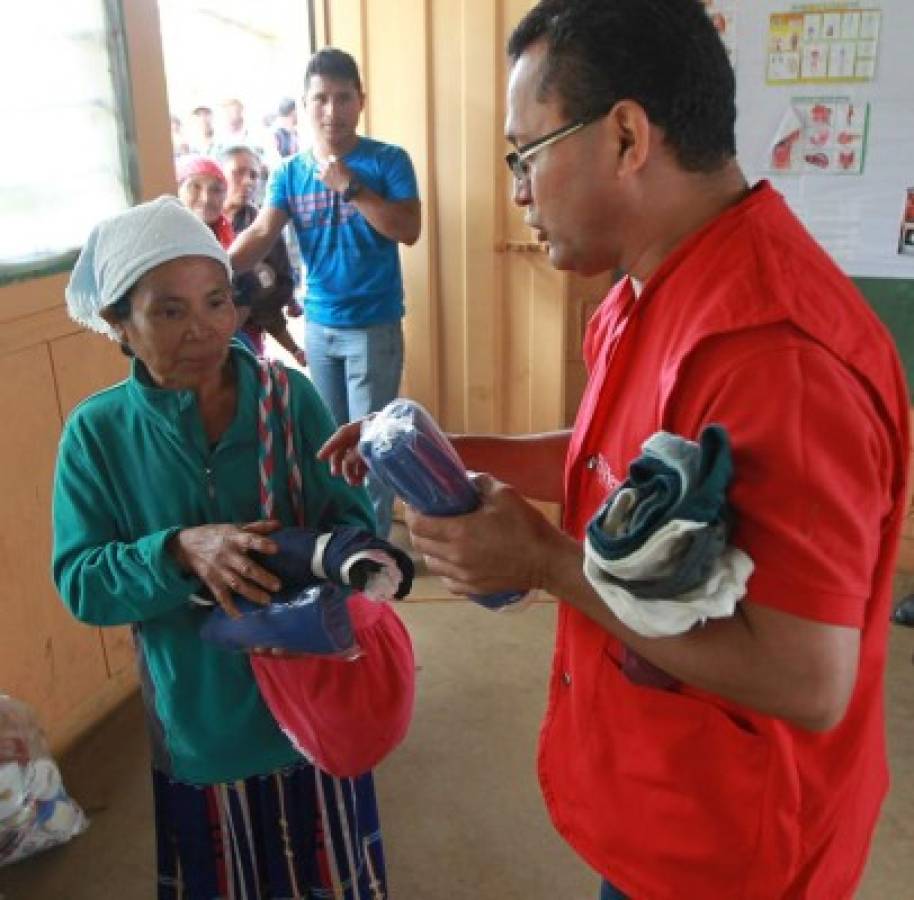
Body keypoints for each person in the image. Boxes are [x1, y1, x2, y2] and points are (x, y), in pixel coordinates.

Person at [319, 2, 910, 897]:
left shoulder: (778, 359)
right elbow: (608, 461)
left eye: (526, 153)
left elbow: (805, 678)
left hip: (732, 848)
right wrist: (445, 448)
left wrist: (549, 563)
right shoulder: (650, 288)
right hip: (658, 796)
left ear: (628, 136)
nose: (518, 188)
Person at [54, 196, 388, 899]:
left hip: (315, 699)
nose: (204, 329)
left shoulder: (288, 398)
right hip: (200, 715)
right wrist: (176, 551)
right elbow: (82, 581)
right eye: (169, 310)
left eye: (216, 300)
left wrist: (342, 567)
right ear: (119, 324)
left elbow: (353, 521)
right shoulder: (98, 435)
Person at [230, 47, 422, 538]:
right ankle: (344, 544)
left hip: (374, 327)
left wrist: (350, 186)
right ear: (304, 104)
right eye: (320, 99)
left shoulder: (387, 160)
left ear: (360, 101)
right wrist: (210, 272)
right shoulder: (291, 172)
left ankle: (373, 546)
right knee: (331, 446)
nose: (331, 111)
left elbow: (408, 228)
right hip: (319, 327)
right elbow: (260, 235)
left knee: (372, 446)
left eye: (342, 98)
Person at [220, 144, 306, 363]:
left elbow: (271, 292)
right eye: (238, 172)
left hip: (248, 341)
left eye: (254, 175)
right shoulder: (198, 226)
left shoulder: (264, 229)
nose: (248, 181)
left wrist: (294, 349)